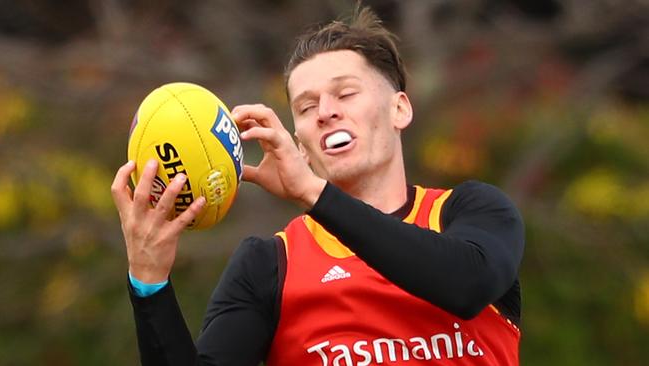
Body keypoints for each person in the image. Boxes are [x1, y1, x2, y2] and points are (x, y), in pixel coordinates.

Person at [111, 6, 525, 366]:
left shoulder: (472, 211)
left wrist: (313, 193)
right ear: (300, 145)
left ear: (399, 108)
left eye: (345, 93)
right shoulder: (270, 266)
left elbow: (466, 285)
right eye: (306, 107)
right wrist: (149, 281)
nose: (326, 112)